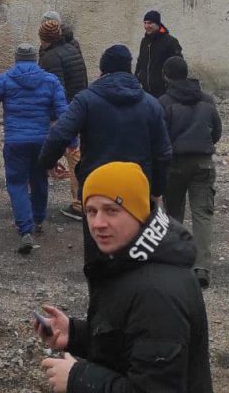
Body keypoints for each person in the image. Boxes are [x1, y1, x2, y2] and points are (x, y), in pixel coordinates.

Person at [38, 162, 222, 393]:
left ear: (139, 213)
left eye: (112, 210)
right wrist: (75, 334)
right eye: (91, 211)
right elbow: (132, 341)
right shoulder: (133, 262)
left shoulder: (157, 292)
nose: (98, 223)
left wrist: (77, 378)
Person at [39, 44, 172, 263]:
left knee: (97, 252)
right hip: (137, 187)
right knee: (137, 252)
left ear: (102, 70)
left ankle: (101, 293)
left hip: (96, 185)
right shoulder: (151, 104)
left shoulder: (86, 100)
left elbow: (59, 134)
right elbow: (164, 153)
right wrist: (156, 188)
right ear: (129, 69)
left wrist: (47, 163)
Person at [0, 43, 68, 254]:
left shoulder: (5, 79)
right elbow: (64, 114)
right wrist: (71, 142)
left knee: (17, 183)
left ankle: (25, 230)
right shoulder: (50, 81)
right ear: (35, 59)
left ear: (16, 59)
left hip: (15, 142)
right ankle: (38, 219)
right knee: (39, 179)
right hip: (42, 142)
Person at [159, 55, 222, 287]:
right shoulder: (207, 100)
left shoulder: (164, 102)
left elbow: (160, 137)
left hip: (175, 164)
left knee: (174, 213)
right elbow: (217, 131)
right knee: (203, 214)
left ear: (166, 75)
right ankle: (202, 267)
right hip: (203, 162)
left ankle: (176, 260)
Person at [37, 12, 88, 220]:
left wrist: (56, 117)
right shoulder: (71, 47)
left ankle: (79, 204)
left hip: (66, 112)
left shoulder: (51, 57)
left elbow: (55, 88)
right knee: (76, 155)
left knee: (71, 154)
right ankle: (81, 200)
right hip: (78, 106)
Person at [135, 9, 182, 97]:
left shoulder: (170, 42)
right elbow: (140, 62)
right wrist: (136, 79)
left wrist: (169, 86)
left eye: (149, 23)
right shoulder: (144, 41)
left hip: (163, 93)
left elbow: (177, 67)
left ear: (157, 24)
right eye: (145, 23)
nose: (146, 26)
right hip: (145, 93)